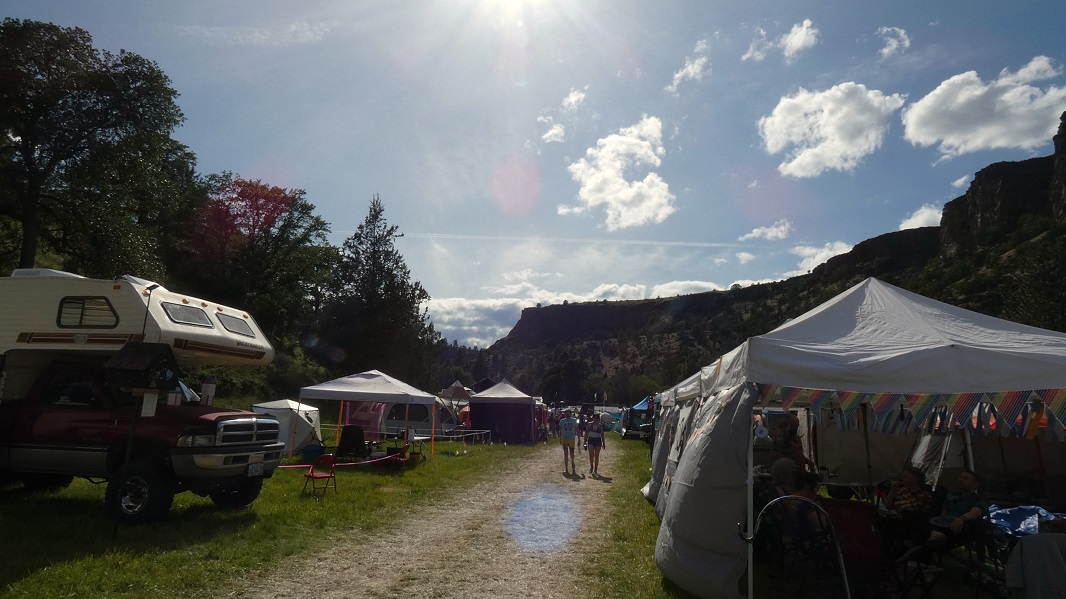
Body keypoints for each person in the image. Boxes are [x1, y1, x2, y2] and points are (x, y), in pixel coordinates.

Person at [881, 466, 933, 554]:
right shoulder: (900, 491)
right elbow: (888, 506)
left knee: (908, 517)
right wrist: (892, 490)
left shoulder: (924, 495)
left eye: (905, 476)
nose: (901, 479)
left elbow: (922, 512)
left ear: (915, 479)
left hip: (911, 522)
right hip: (896, 519)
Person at [558, 409, 578, 474]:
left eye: (568, 413)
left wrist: (579, 438)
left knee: (572, 452)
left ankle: (572, 462)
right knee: (565, 453)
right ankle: (566, 468)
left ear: (570, 413)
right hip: (564, 438)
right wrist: (560, 438)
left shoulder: (574, 420)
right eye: (565, 413)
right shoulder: (562, 421)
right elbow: (560, 429)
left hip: (571, 438)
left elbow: (576, 429)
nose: (566, 414)